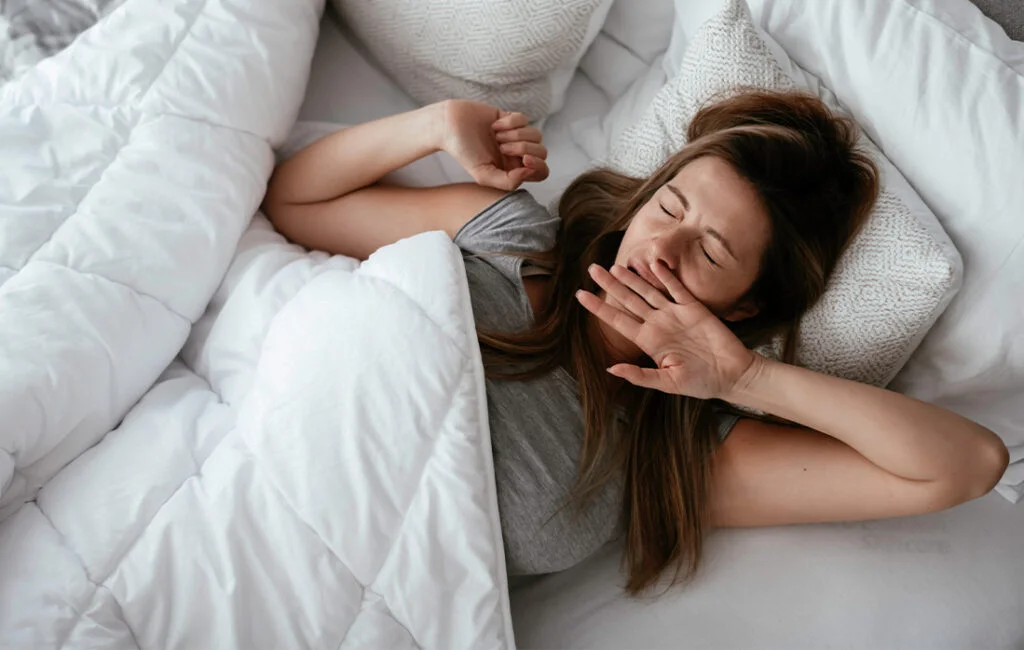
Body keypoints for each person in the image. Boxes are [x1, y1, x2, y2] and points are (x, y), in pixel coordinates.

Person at [262, 91, 1009, 594]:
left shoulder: (680, 451)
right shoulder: (515, 241)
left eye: (709, 252)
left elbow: (967, 466)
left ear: (745, 304)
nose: (662, 251)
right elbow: (295, 200)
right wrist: (436, 123)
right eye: (669, 209)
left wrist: (744, 380)